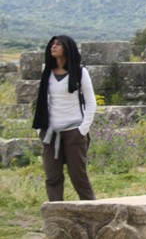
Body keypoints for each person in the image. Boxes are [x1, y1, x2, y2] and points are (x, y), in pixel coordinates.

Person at [31, 35, 96, 201]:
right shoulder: (47, 72)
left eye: (58, 44)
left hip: (74, 131)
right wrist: (41, 128)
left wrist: (83, 129)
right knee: (52, 178)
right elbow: (43, 100)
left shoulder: (80, 72)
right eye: (52, 43)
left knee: (78, 177)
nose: (54, 46)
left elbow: (91, 102)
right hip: (51, 133)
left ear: (67, 49)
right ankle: (56, 217)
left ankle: (93, 213)